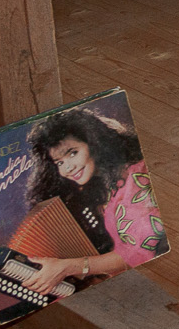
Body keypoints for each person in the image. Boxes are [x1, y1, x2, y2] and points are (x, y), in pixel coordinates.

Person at [17, 105, 169, 294]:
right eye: (60, 163)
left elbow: (138, 255)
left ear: (95, 143)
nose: (68, 168)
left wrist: (67, 267)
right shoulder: (109, 180)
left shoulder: (135, 181)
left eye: (73, 153)